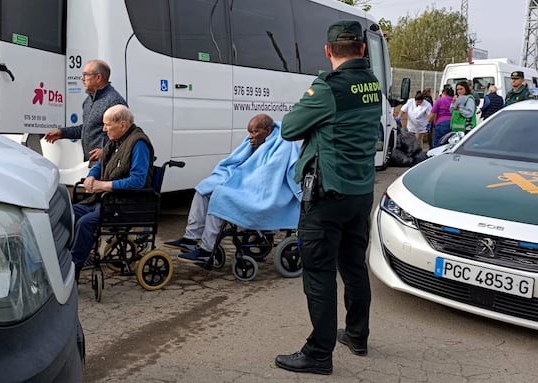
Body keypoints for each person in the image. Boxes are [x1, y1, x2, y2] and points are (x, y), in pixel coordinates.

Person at [274, 20, 382, 376]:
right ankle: (356, 334)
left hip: (326, 196)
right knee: (353, 266)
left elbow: (290, 129)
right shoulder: (373, 85)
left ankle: (319, 353)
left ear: (327, 51)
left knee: (319, 273)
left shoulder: (327, 88)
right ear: (363, 50)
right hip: (361, 193)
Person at [164, 114, 300, 264]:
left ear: (267, 131)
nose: (251, 137)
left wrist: (236, 183)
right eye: (249, 132)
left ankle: (207, 251)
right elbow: (235, 161)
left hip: (260, 193)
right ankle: (190, 238)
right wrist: (228, 178)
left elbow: (267, 177)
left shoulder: (282, 145)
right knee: (203, 189)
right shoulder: (254, 142)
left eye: (255, 132)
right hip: (242, 183)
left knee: (221, 197)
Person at [71, 105, 154, 282]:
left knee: (85, 223)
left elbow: (137, 181)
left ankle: (74, 269)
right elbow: (101, 165)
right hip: (106, 202)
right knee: (67, 213)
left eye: (107, 124)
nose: (104, 128)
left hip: (126, 205)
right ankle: (64, 259)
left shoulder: (138, 144)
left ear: (122, 125)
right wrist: (91, 178)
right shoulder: (114, 141)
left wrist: (103, 185)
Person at [44, 59, 127, 163]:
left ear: (98, 77)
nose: (82, 79)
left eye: (86, 75)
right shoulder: (88, 101)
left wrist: (105, 152)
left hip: (108, 164)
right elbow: (87, 128)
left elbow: (125, 135)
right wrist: (62, 132)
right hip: (91, 163)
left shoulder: (114, 102)